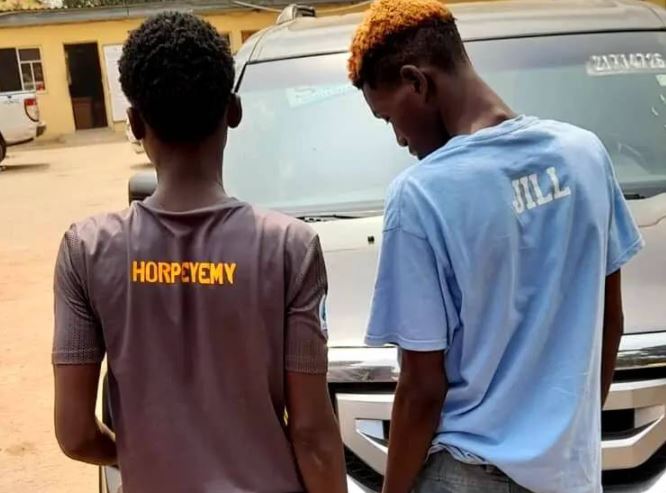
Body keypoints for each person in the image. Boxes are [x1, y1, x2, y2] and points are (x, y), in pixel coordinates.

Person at [349, 1, 644, 492]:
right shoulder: (585, 155)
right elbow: (609, 322)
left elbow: (422, 388)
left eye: (389, 118)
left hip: (464, 472)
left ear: (416, 82)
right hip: (568, 475)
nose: (399, 138)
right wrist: (565, 441)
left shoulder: (420, 194)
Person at [52, 12, 347, 493]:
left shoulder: (86, 250)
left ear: (134, 122)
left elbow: (75, 434)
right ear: (233, 111)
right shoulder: (290, 248)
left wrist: (142, 455)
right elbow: (313, 435)